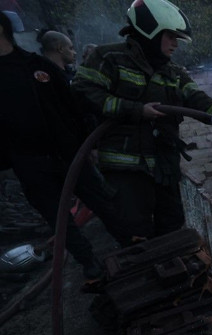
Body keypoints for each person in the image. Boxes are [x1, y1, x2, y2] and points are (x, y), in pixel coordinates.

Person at [73, 0, 212, 243]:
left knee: (172, 227)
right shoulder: (109, 58)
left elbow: (195, 97)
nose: (176, 44)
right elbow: (83, 92)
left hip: (163, 163)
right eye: (171, 36)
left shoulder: (172, 71)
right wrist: (136, 110)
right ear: (149, 30)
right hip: (127, 169)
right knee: (135, 233)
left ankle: (174, 274)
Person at [0, 12, 128, 283]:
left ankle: (132, 244)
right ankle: (89, 263)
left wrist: (87, 143)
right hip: (29, 163)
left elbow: (72, 107)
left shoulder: (37, 66)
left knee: (104, 202)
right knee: (58, 218)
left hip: (69, 154)